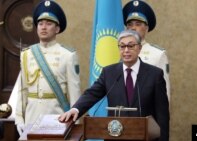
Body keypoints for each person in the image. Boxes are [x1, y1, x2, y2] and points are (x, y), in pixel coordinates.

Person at [59, 30, 169, 141]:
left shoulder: (155, 74)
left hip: (145, 137)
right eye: (122, 46)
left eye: (131, 46)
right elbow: (92, 94)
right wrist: (76, 109)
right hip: (115, 136)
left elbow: (162, 115)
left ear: (139, 48)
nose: (126, 50)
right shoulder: (109, 73)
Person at [15, 0, 81, 135]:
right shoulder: (26, 54)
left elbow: (75, 94)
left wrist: (75, 125)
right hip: (31, 117)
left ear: (57, 29)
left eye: (48, 23)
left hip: (57, 118)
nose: (43, 27)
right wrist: (19, 118)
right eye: (40, 24)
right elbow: (23, 90)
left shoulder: (68, 55)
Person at [123, 0, 170, 101]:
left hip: (146, 114)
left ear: (147, 28)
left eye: (138, 24)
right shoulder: (120, 52)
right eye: (130, 24)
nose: (133, 28)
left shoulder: (158, 54)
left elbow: (164, 94)